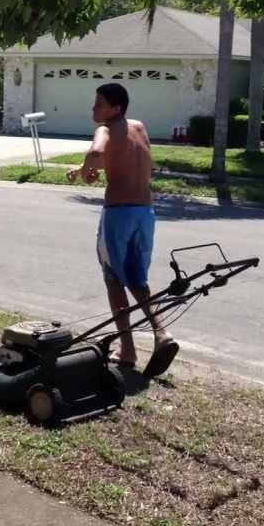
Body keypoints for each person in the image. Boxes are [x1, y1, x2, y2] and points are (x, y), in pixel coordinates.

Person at [67, 83, 179, 376]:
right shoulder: (138, 127)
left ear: (116, 108)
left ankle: (127, 350)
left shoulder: (105, 129)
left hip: (118, 213)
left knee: (114, 280)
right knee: (138, 279)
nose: (94, 109)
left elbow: (96, 152)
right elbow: (120, 160)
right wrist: (91, 171)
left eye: (100, 104)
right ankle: (162, 333)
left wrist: (83, 167)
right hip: (145, 212)